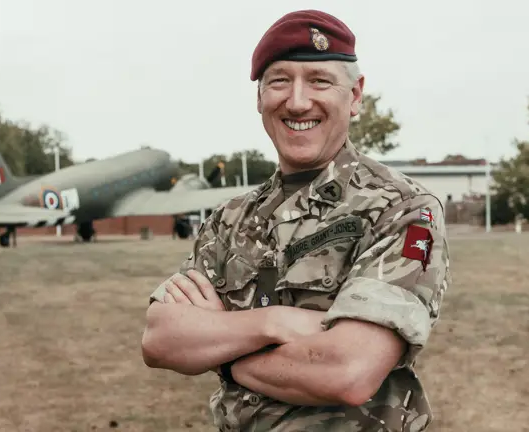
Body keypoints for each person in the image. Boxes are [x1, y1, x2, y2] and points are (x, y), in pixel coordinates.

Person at [141, 9, 451, 432]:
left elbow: (347, 372)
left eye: (319, 81)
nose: (298, 101)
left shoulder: (403, 209)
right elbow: (160, 341)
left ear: (356, 95)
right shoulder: (229, 219)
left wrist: (221, 347)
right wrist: (274, 323)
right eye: (280, 81)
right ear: (259, 98)